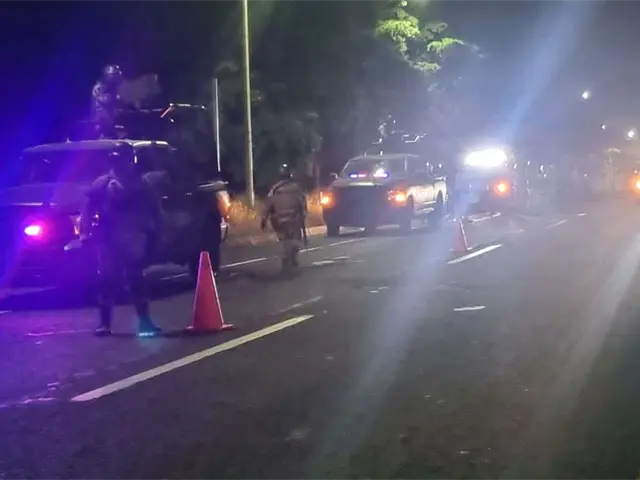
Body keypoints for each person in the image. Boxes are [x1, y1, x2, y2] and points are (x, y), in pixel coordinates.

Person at [80, 158, 163, 337]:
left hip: (132, 237)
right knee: (107, 281)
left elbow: (155, 209)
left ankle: (144, 322)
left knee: (136, 280)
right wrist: (85, 232)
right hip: (110, 239)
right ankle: (105, 324)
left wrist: (156, 231)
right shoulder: (103, 184)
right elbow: (88, 208)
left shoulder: (141, 183)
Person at [261, 164, 307, 272]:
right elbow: (303, 205)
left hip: (279, 221)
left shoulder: (274, 189)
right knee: (295, 240)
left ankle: (287, 257)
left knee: (284, 240)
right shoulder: (297, 188)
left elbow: (267, 206)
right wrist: (303, 216)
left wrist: (263, 220)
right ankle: (291, 256)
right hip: (293, 220)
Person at [91, 64, 125, 138]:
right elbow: (104, 100)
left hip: (110, 122)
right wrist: (114, 98)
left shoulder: (112, 88)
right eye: (115, 76)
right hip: (101, 123)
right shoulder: (100, 87)